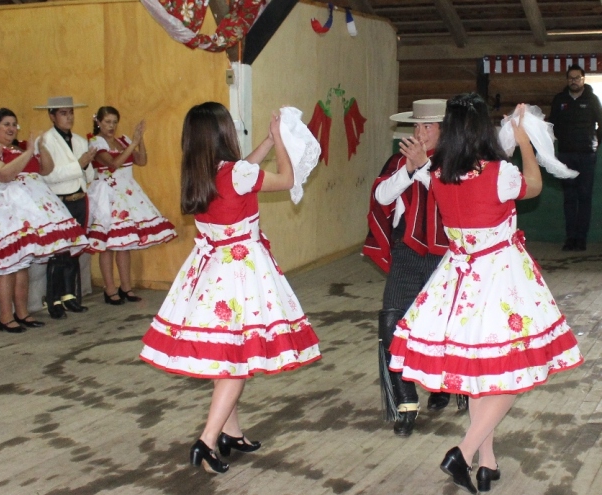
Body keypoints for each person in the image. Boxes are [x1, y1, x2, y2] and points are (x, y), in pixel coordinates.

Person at [389, 94, 584, 493]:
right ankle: (462, 451)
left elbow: (427, 174)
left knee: (482, 374)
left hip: (458, 280)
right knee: (511, 375)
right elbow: (533, 185)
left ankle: (487, 464)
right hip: (499, 277)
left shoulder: (439, 172)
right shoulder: (497, 172)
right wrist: (524, 141)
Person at [140, 102, 321, 474]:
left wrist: (268, 144)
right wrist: (282, 148)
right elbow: (285, 180)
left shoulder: (202, 171)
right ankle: (206, 441)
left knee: (226, 354)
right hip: (240, 273)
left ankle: (230, 432)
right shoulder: (235, 172)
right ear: (222, 133)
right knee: (237, 359)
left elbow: (243, 172)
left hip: (211, 271)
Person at [363, 99, 461, 437]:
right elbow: (383, 197)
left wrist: (423, 168)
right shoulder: (399, 160)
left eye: (428, 127)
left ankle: (442, 385)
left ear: (444, 131)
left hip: (445, 254)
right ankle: (405, 400)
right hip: (407, 248)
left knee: (441, 325)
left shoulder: (457, 162)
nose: (420, 133)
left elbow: (452, 200)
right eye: (416, 126)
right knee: (391, 318)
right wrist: (409, 169)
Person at [0, 108, 89, 331]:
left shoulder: (17, 148)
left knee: (22, 264)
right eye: (6, 124)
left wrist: (41, 147)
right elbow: (4, 174)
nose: (11, 129)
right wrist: (28, 152)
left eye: (14, 124)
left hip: (26, 209)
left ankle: (22, 312)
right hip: (1, 210)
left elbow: (46, 170)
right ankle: (5, 316)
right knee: (5, 265)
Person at [88, 106, 176, 304]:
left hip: (127, 193)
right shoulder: (95, 142)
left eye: (114, 122)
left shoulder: (123, 140)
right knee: (108, 245)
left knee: (124, 243)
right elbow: (113, 164)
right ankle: (109, 289)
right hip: (109, 193)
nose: (111, 126)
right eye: (107, 122)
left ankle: (126, 287)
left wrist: (140, 140)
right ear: (98, 122)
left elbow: (142, 160)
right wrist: (132, 144)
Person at [36, 96, 98, 317]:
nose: (69, 117)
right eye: (63, 113)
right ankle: (53, 300)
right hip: (58, 202)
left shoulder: (81, 140)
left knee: (73, 251)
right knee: (58, 253)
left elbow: (88, 175)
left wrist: (88, 164)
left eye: (71, 112)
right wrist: (79, 164)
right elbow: (49, 176)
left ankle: (69, 296)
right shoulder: (44, 141)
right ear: (52, 116)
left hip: (78, 199)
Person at [548, 64, 602, 252]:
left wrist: (595, 145)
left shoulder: (593, 99)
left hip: (587, 155)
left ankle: (582, 239)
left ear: (583, 79)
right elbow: (551, 124)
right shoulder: (560, 100)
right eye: (571, 78)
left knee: (584, 197)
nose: (574, 81)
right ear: (567, 80)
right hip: (566, 155)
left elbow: (600, 123)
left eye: (577, 77)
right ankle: (570, 238)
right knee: (570, 198)